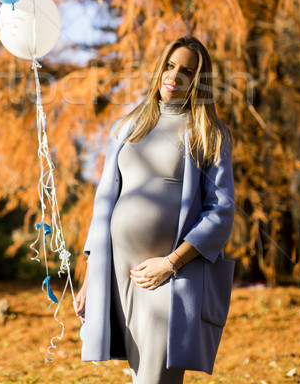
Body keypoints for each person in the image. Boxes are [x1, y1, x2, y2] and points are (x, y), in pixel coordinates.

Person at [75, 35, 235, 384]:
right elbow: (105, 202)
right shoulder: (128, 126)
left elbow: (221, 211)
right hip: (119, 270)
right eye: (170, 65)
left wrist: (171, 262)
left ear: (198, 81)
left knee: (156, 375)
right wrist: (91, 279)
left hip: (172, 274)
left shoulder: (209, 133)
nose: (174, 76)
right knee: (139, 371)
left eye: (187, 71)